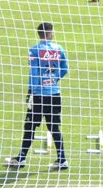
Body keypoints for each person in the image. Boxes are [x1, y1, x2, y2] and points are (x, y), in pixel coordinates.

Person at [6, 22, 70, 170]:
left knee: (29, 126)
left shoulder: (34, 50)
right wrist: (53, 79)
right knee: (54, 127)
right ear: (50, 33)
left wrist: (31, 91)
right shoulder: (58, 49)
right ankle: (62, 159)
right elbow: (64, 68)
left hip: (39, 95)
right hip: (55, 93)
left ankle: (21, 158)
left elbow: (34, 73)